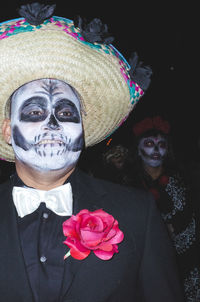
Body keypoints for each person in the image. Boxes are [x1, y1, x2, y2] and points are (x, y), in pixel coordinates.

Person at [0, 3, 184, 302]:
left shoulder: (137, 213)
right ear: (8, 129)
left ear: (82, 130)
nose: (53, 125)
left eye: (66, 112)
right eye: (34, 112)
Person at [131, 115, 200, 301]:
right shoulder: (129, 185)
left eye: (161, 144)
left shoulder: (183, 180)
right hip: (150, 264)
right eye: (149, 143)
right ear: (138, 150)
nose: (156, 149)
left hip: (186, 262)